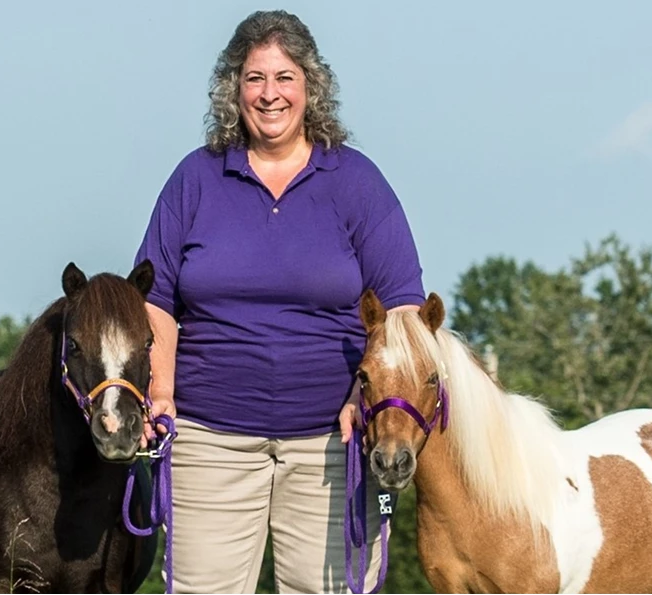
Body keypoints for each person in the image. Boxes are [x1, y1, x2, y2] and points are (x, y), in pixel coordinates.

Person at [133, 9, 425, 594]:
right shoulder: (195, 178)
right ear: (232, 89)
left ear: (310, 86)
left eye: (284, 77)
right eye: (255, 78)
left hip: (331, 443)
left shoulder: (357, 182)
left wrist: (359, 396)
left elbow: (402, 310)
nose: (270, 95)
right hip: (209, 437)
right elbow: (155, 299)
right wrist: (160, 391)